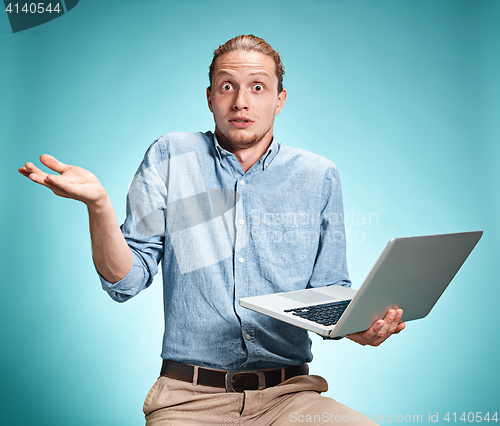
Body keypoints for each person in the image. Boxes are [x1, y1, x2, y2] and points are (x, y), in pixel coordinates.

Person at [19, 35, 405, 425]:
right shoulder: (171, 156)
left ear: (280, 99)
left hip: (289, 399)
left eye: (258, 87)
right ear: (210, 97)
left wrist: (359, 328)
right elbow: (127, 281)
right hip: (188, 401)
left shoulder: (318, 175)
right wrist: (98, 206)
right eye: (227, 86)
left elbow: (328, 292)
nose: (241, 101)